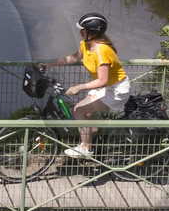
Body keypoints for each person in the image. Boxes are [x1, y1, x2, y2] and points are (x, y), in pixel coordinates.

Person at [38, 13, 130, 158]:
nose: (80, 32)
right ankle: (93, 134)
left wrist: (79, 87)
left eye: (83, 30)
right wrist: (51, 64)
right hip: (104, 87)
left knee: (79, 110)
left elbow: (102, 80)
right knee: (83, 113)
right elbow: (73, 58)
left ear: (93, 32)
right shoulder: (86, 44)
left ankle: (86, 149)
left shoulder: (102, 51)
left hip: (116, 89)